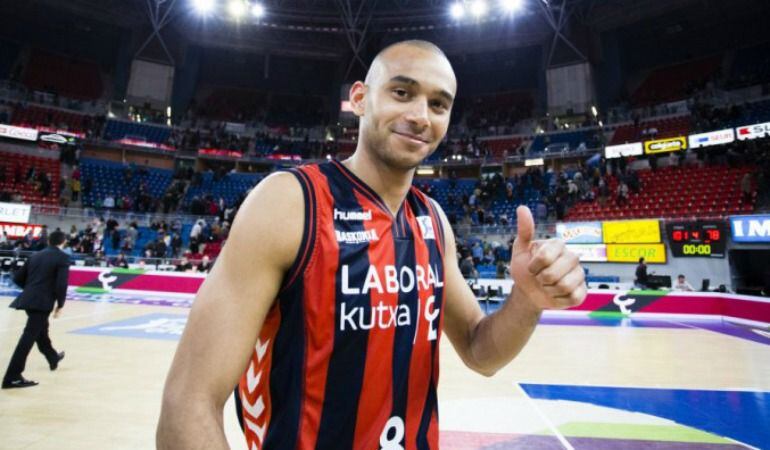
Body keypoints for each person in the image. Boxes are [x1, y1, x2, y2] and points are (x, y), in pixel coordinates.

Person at [157, 40, 585, 450]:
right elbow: (188, 402)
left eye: (438, 104)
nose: (421, 115)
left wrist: (527, 301)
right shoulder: (290, 203)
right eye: (402, 92)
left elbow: (480, 351)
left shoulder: (433, 221)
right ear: (359, 98)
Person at [2, 230, 69, 389]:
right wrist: (60, 305)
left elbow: (17, 278)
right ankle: (12, 377)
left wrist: (32, 290)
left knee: (40, 330)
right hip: (42, 302)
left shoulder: (35, 255)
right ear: (63, 242)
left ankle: (52, 357)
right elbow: (61, 284)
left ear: (49, 242)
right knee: (29, 336)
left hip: (29, 299)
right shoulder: (62, 258)